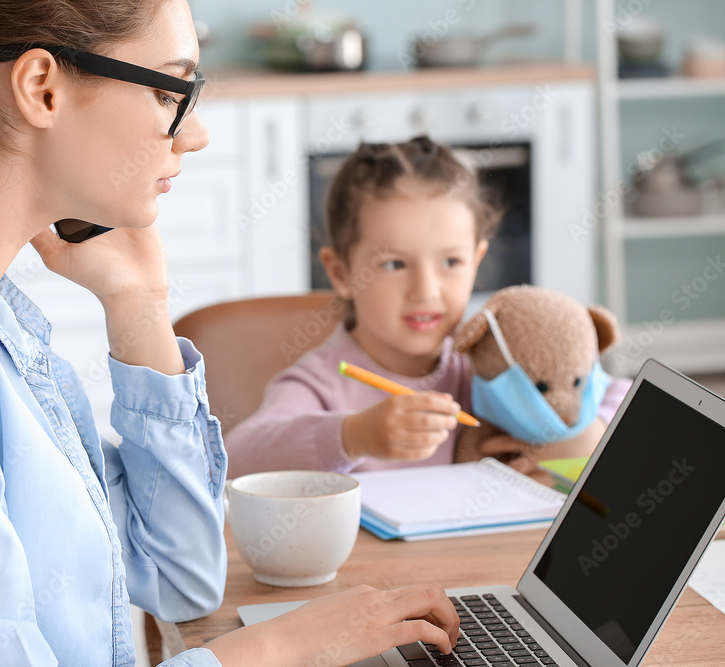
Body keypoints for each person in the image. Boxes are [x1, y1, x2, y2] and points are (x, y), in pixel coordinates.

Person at [0, 1, 461, 665]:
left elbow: (180, 573)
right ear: (42, 87)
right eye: (171, 90)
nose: (195, 132)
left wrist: (140, 305)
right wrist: (277, 650)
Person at [226, 138, 630, 479]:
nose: (426, 290)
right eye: (394, 264)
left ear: (477, 260)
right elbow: (237, 458)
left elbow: (622, 396)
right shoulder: (322, 384)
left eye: (451, 263)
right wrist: (353, 436)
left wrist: (584, 434)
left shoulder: (493, 361)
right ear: (341, 271)